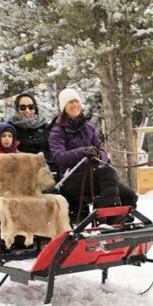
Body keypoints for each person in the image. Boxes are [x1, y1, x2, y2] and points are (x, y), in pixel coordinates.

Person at [48, 87, 137, 219]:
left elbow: (102, 151)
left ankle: (120, 221)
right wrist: (82, 152)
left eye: (76, 101)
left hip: (93, 176)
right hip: (70, 179)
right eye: (70, 102)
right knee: (107, 172)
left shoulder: (88, 128)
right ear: (63, 107)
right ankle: (109, 216)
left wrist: (99, 155)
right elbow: (59, 157)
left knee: (129, 195)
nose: (75, 105)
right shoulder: (57, 131)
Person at [8, 91, 53, 172]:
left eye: (31, 107)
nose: (27, 110)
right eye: (23, 107)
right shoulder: (10, 128)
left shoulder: (45, 126)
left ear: (35, 108)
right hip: (22, 171)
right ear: (17, 109)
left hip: (46, 170)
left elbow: (52, 150)